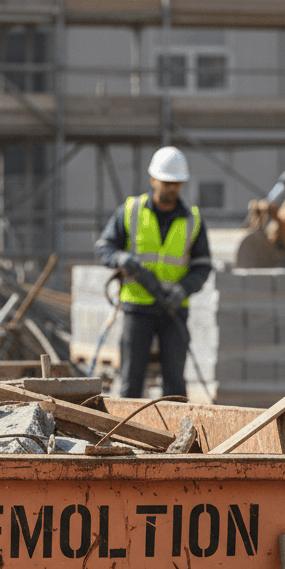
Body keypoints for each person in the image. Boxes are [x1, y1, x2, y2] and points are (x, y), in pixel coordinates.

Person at [94, 146, 213, 398]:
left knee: (174, 385)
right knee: (131, 380)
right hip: (137, 308)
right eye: (167, 182)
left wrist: (183, 289)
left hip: (174, 309)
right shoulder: (131, 211)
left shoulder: (193, 219)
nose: (172, 188)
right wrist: (123, 259)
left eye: (177, 184)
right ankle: (126, 434)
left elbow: (202, 266)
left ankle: (177, 434)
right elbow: (104, 248)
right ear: (153, 180)